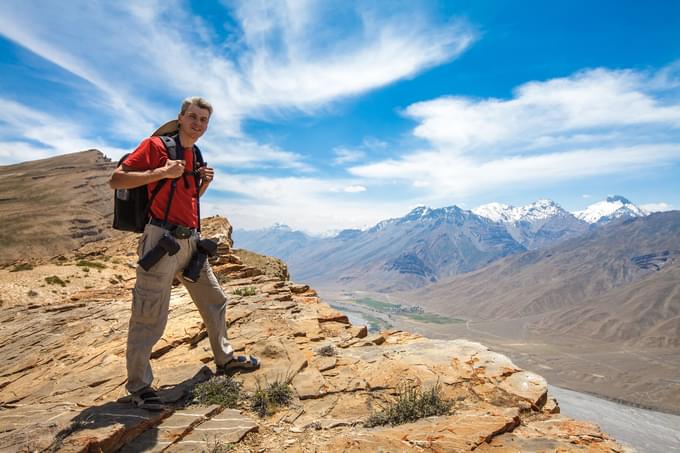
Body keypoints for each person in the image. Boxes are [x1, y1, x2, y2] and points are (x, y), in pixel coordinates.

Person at [109, 97, 259, 410]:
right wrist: (161, 172)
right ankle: (139, 386)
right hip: (160, 240)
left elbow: (185, 197)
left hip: (190, 242)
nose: (198, 124)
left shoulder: (196, 154)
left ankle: (225, 358)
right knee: (149, 314)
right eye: (193, 117)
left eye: (204, 120)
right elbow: (117, 179)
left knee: (215, 299)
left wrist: (202, 185)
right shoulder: (156, 147)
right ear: (180, 117)